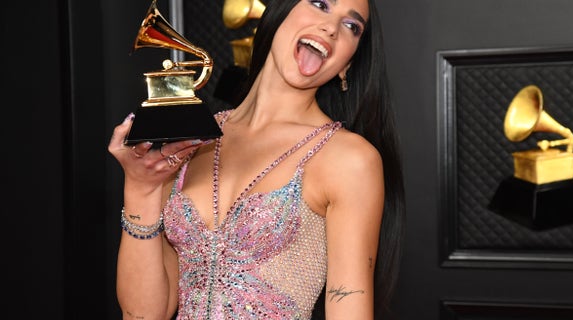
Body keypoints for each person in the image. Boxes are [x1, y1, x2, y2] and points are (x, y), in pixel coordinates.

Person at [108, 0, 405, 318]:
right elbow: (144, 314)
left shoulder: (349, 160)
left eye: (352, 26)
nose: (331, 28)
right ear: (279, 12)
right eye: (320, 4)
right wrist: (140, 190)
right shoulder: (190, 141)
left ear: (348, 63)